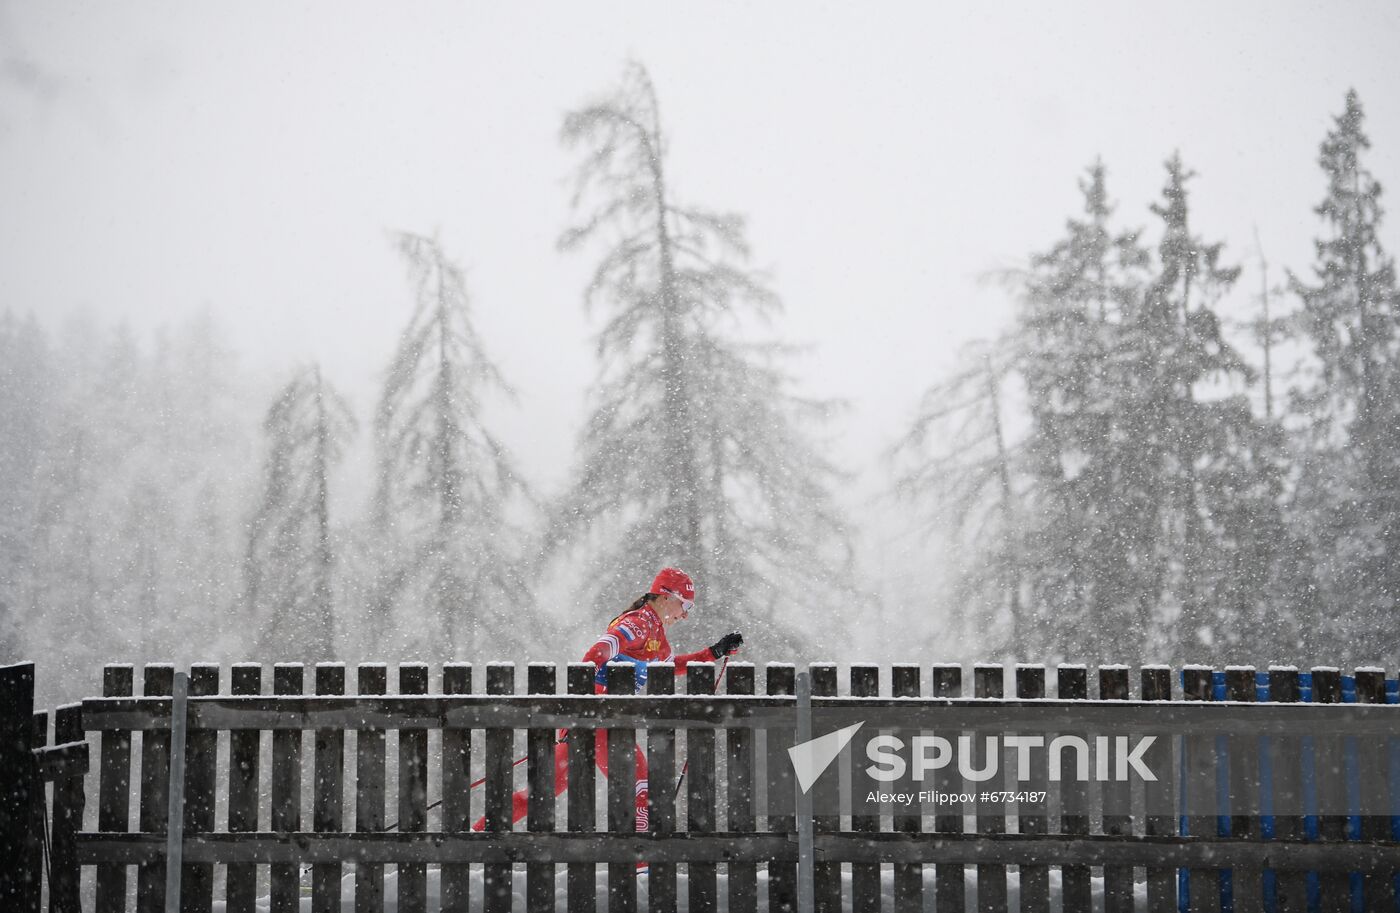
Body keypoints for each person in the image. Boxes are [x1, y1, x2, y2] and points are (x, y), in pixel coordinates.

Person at [472, 567, 743, 832]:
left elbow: (671, 666)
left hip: (593, 724)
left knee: (539, 793)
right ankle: (641, 867)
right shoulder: (637, 624)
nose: (684, 615)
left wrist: (713, 652)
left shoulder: (657, 638)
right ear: (664, 596)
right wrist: (583, 698)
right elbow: (601, 648)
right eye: (685, 605)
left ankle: (477, 835)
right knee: (643, 790)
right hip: (599, 722)